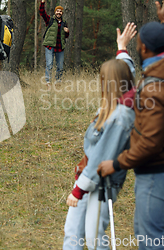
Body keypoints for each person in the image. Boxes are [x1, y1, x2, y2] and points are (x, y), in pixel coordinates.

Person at [97, 0, 164, 250]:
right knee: (146, 230)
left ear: (143, 48)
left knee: (150, 236)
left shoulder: (153, 88)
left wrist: (115, 164)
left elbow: (149, 143)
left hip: (157, 169)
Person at [63, 23, 137, 250]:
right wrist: (122, 48)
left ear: (111, 82)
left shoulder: (121, 115)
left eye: (103, 79)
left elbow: (101, 155)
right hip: (90, 178)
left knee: (94, 236)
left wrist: (79, 189)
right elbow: (125, 70)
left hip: (101, 182)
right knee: (73, 231)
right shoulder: (123, 97)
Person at [40, 0, 69, 90]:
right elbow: (42, 12)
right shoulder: (50, 20)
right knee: (49, 65)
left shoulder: (64, 22)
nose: (59, 12)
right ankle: (48, 83)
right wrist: (43, 0)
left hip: (60, 47)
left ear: (62, 13)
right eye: (57, 11)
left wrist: (67, 31)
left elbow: (66, 36)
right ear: (55, 12)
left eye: (60, 11)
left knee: (60, 67)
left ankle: (58, 83)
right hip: (49, 46)